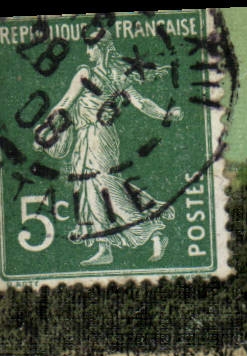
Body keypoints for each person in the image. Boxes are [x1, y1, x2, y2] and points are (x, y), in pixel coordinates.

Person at [43, 38, 182, 265]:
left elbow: (142, 103)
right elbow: (65, 103)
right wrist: (47, 130)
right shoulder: (86, 74)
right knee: (89, 189)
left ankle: (153, 232)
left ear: (103, 49)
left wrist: (165, 114)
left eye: (92, 47)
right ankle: (104, 247)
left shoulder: (117, 78)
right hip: (84, 138)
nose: (88, 52)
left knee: (106, 186)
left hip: (101, 138)